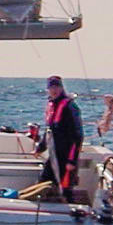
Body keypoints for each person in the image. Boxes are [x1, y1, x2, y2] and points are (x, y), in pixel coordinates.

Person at [38, 76, 84, 205]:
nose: (54, 90)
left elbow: (78, 136)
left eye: (57, 87)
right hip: (54, 155)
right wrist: (40, 148)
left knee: (66, 188)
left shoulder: (69, 107)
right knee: (44, 182)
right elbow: (48, 131)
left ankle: (72, 213)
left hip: (67, 156)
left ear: (61, 88)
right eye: (51, 87)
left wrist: (72, 160)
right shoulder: (51, 105)